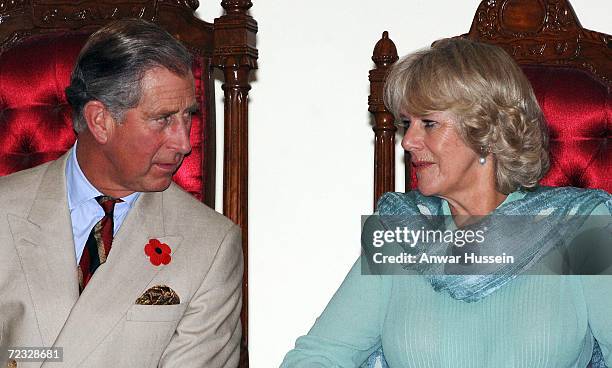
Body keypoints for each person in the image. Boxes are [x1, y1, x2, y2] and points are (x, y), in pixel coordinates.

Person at [281, 39, 611, 367]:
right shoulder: (401, 233)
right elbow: (317, 357)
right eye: (406, 124)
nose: (408, 141)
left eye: (429, 123)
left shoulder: (583, 226)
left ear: (487, 132)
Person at [0, 19, 242, 367]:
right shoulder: (5, 208)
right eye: (162, 119)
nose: (184, 143)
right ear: (100, 121)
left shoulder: (210, 246)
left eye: (187, 116)